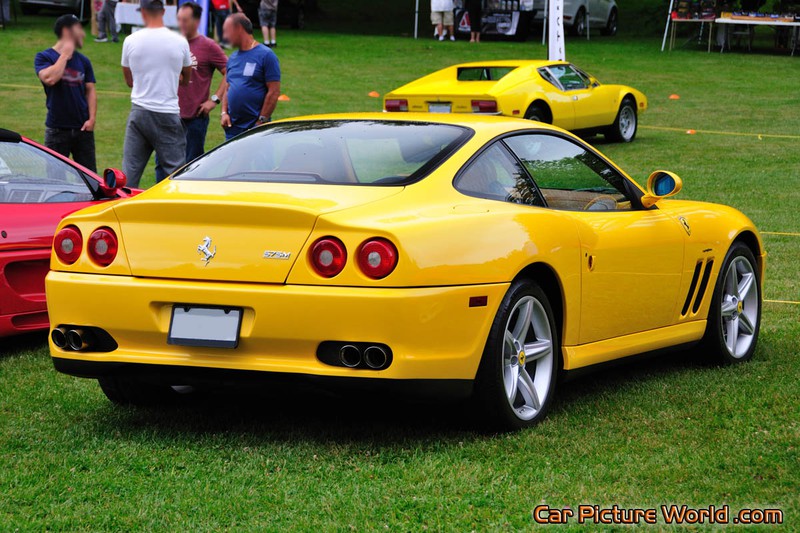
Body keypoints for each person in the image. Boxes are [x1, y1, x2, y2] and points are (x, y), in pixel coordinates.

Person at [121, 0, 193, 187]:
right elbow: (186, 78)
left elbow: (129, 81)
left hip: (139, 112)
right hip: (167, 113)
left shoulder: (130, 40)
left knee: (129, 174)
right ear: (163, 12)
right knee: (176, 174)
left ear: (143, 12)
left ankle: (123, 205)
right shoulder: (180, 41)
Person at [154, 1, 228, 181]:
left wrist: (214, 100)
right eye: (179, 19)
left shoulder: (208, 46)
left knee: (191, 167)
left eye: (185, 20)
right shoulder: (170, 43)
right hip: (167, 114)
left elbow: (230, 72)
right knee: (162, 165)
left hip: (195, 118)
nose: (181, 24)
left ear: (197, 21)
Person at [34, 14, 97, 172]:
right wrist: (64, 56)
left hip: (83, 129)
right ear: (67, 31)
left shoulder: (84, 61)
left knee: (90, 177)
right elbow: (50, 79)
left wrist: (91, 119)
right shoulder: (44, 57)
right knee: (56, 177)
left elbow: (90, 90)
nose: (83, 34)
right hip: (57, 130)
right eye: (79, 29)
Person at [220, 13, 280, 141]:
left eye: (227, 31)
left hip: (256, 129)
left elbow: (274, 91)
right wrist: (224, 112)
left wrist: (261, 121)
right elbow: (228, 87)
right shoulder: (233, 58)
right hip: (232, 129)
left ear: (239, 29)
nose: (224, 37)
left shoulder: (266, 55)